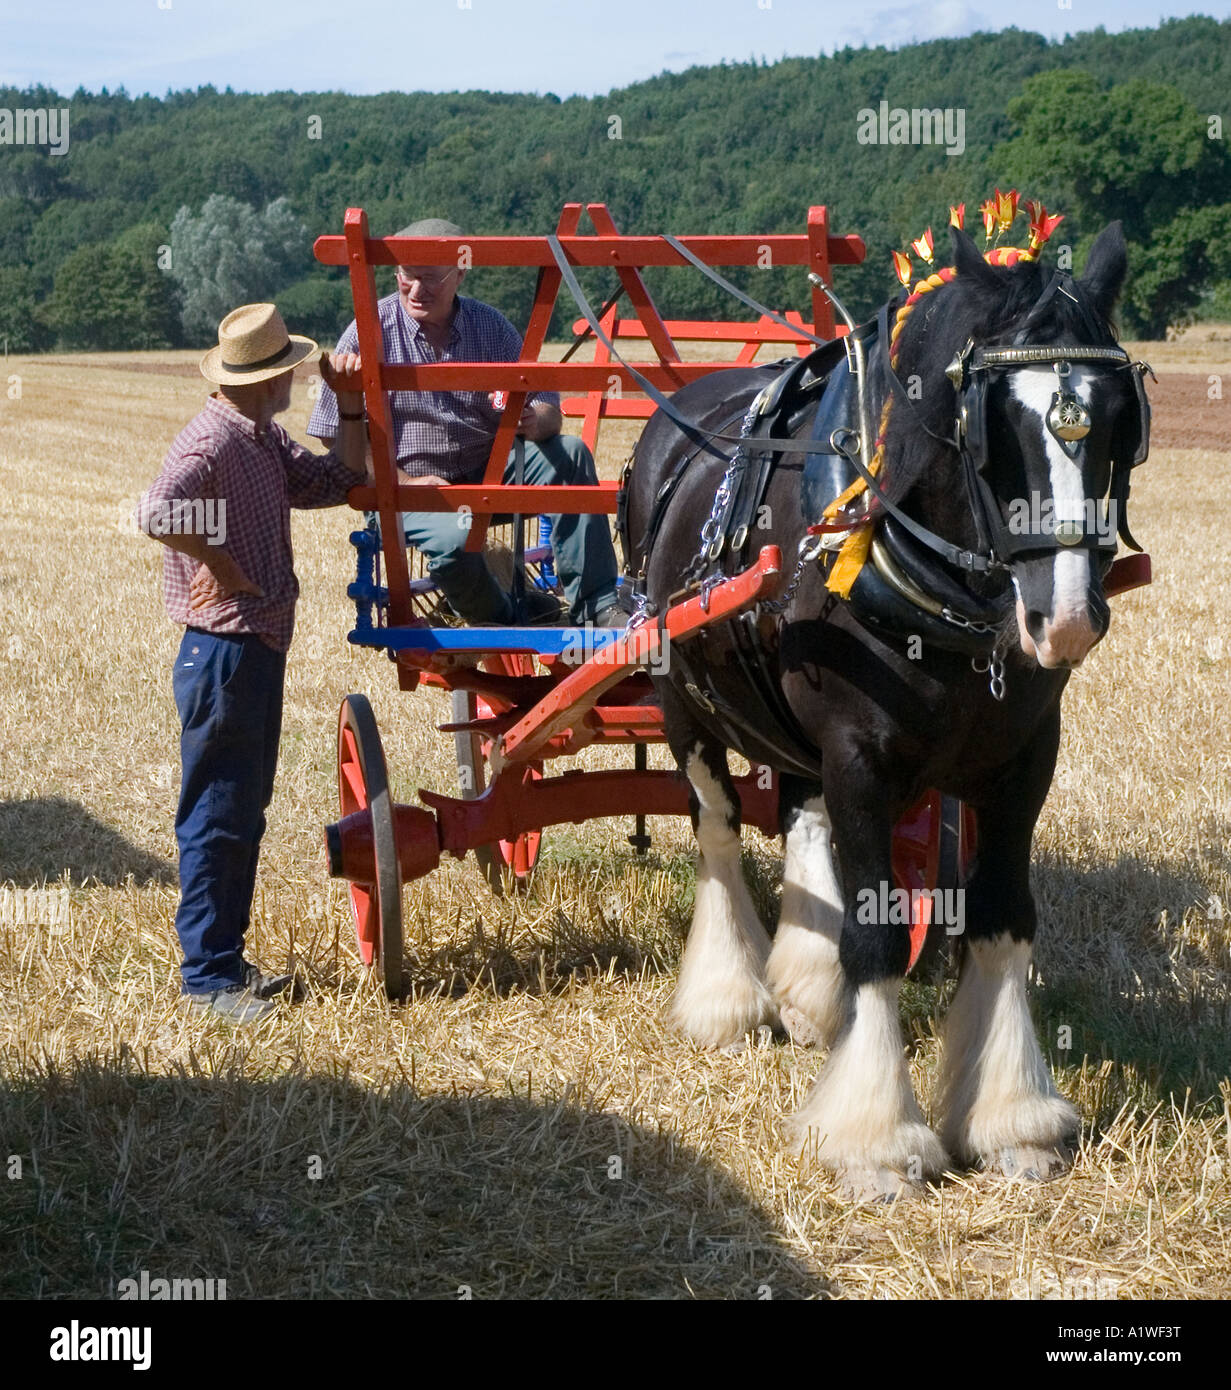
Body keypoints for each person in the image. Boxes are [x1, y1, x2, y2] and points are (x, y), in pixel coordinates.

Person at [137, 303, 370, 1024]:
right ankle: (207, 982)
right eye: (291, 371)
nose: (298, 379)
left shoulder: (261, 437)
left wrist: (353, 403)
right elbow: (156, 513)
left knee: (240, 812)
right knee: (216, 814)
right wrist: (222, 564)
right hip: (225, 648)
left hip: (252, 645)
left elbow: (338, 481)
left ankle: (225, 965)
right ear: (265, 378)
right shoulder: (212, 444)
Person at [308, 217, 622, 628]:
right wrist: (402, 481)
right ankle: (509, 619)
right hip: (407, 488)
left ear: (461, 272)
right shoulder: (369, 330)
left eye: (432, 278)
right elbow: (336, 435)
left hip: (489, 476)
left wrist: (535, 419)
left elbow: (548, 408)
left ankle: (598, 608)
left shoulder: (490, 327)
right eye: (407, 276)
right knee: (455, 542)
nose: (417, 290)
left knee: (571, 454)